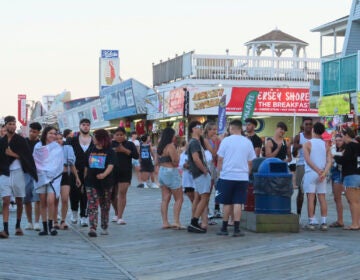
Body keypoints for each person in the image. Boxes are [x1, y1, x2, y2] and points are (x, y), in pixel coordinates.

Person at [216, 119, 256, 237]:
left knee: (227, 202)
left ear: (232, 128)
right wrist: (247, 173)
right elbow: (250, 162)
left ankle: (224, 228)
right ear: (241, 128)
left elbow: (220, 159)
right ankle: (237, 229)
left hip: (227, 175)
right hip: (242, 176)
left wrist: (220, 172)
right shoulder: (247, 142)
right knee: (238, 202)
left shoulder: (226, 141)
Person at [0, 116, 38, 239]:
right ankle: (5, 229)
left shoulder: (21, 140)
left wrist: (13, 154)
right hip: (5, 173)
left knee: (19, 200)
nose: (12, 126)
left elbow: (27, 157)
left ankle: (17, 225)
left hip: (18, 172)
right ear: (5, 125)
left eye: (13, 124)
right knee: (5, 201)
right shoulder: (1, 141)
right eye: (10, 124)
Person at [33, 126, 64, 236]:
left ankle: (51, 226)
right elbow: (36, 161)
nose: (53, 135)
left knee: (51, 201)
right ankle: (45, 227)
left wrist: (51, 173)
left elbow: (59, 163)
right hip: (41, 176)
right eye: (50, 133)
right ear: (45, 133)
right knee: (43, 202)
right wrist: (42, 171)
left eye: (54, 133)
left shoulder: (57, 147)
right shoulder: (38, 146)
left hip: (53, 177)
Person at [85, 129, 115, 237]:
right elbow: (86, 165)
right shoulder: (91, 149)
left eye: (94, 136)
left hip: (106, 182)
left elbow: (111, 165)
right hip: (91, 181)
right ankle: (92, 227)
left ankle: (104, 226)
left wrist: (104, 174)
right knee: (92, 204)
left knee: (105, 205)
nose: (93, 138)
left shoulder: (109, 151)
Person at [303, 122, 332, 231]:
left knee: (311, 197)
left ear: (313, 130)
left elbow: (308, 160)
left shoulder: (307, 144)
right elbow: (330, 160)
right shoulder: (326, 144)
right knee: (322, 197)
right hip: (322, 175)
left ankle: (311, 221)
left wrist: (317, 171)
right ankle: (324, 222)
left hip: (311, 173)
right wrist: (324, 172)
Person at [68, 118, 94, 226]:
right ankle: (74, 212)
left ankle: (84, 216)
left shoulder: (94, 140)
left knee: (86, 194)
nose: (85, 126)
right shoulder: (72, 140)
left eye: (87, 125)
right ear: (79, 126)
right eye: (83, 124)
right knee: (74, 193)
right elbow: (68, 155)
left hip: (89, 171)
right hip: (75, 170)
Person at [187, 121, 211, 234]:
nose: (201, 129)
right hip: (200, 173)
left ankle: (195, 221)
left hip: (198, 174)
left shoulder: (195, 142)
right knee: (204, 197)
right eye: (199, 127)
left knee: (200, 197)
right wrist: (204, 170)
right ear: (193, 129)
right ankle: (194, 221)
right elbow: (196, 158)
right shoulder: (194, 143)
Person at [111, 127, 139, 225]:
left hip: (125, 172)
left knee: (122, 193)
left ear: (125, 135)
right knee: (112, 195)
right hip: (111, 172)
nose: (119, 136)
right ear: (114, 136)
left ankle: (120, 217)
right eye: (117, 135)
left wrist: (124, 150)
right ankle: (116, 212)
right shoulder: (110, 144)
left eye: (121, 135)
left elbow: (136, 156)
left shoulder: (130, 144)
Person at [157, 127, 183, 229]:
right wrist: (179, 154)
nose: (175, 137)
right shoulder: (170, 146)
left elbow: (157, 161)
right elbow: (176, 162)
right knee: (179, 198)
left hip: (162, 171)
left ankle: (165, 222)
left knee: (165, 198)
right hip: (171, 172)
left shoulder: (160, 146)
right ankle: (176, 221)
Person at [334, 127, 360, 230]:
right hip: (358, 174)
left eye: (343, 136)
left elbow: (344, 160)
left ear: (347, 135)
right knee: (357, 202)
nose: (342, 138)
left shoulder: (350, 146)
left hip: (350, 175)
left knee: (352, 201)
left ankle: (354, 224)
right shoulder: (358, 145)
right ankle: (358, 223)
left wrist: (335, 157)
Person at [54, 133, 81, 230]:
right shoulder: (50, 149)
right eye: (56, 139)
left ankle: (63, 220)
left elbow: (72, 164)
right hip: (54, 177)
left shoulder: (67, 148)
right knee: (55, 200)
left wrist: (77, 177)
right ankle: (55, 221)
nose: (58, 141)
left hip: (66, 175)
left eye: (60, 139)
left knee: (65, 198)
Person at [292, 118, 313, 218]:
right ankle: (298, 214)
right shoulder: (299, 136)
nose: (308, 126)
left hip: (313, 166)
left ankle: (311, 216)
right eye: (306, 124)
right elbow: (293, 151)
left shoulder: (315, 136)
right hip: (301, 165)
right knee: (301, 191)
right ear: (303, 126)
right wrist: (300, 146)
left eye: (310, 124)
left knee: (313, 192)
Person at [23, 122, 42, 231]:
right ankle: (29, 222)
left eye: (34, 132)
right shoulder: (23, 142)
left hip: (37, 174)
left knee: (37, 199)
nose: (31, 133)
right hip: (25, 173)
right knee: (26, 199)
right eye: (30, 131)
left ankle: (36, 222)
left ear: (38, 133)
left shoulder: (40, 144)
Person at [203, 122, 221, 219]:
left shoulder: (218, 139)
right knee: (208, 190)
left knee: (218, 188)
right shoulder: (206, 140)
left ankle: (217, 208)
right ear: (208, 130)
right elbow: (214, 153)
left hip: (217, 166)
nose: (215, 132)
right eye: (212, 129)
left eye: (215, 129)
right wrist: (215, 143)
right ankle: (207, 210)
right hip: (209, 167)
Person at [329, 134, 345, 228]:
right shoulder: (335, 149)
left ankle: (340, 220)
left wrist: (333, 154)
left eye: (340, 140)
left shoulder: (344, 150)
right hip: (334, 173)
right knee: (336, 198)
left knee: (340, 198)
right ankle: (340, 220)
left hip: (340, 174)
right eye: (337, 140)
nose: (338, 142)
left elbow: (339, 158)